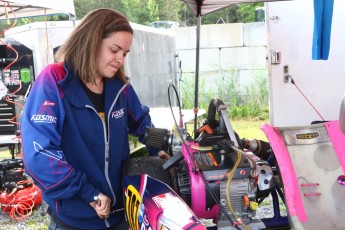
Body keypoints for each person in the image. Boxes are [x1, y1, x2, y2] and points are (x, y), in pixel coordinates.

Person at [20, 8, 168, 230]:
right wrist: (87, 191)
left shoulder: (120, 88)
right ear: (91, 41)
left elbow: (142, 125)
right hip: (74, 218)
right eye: (114, 50)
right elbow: (38, 153)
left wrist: (161, 149)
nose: (120, 59)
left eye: (125, 53)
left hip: (122, 214)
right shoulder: (54, 81)